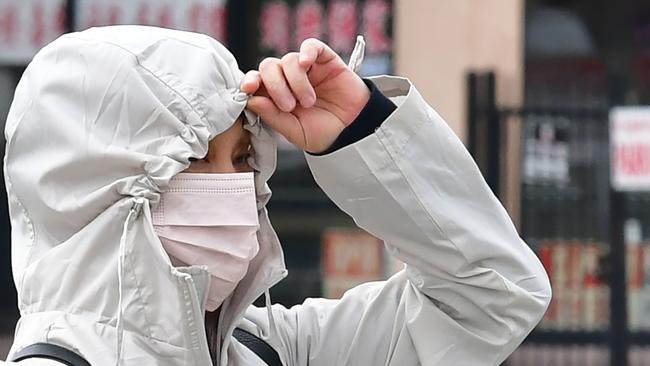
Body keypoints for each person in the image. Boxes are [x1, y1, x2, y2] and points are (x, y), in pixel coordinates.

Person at [2, 25, 551, 365]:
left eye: (242, 158)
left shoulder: (271, 350)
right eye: (192, 158)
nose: (233, 187)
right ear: (92, 191)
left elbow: (490, 299)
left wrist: (361, 129)